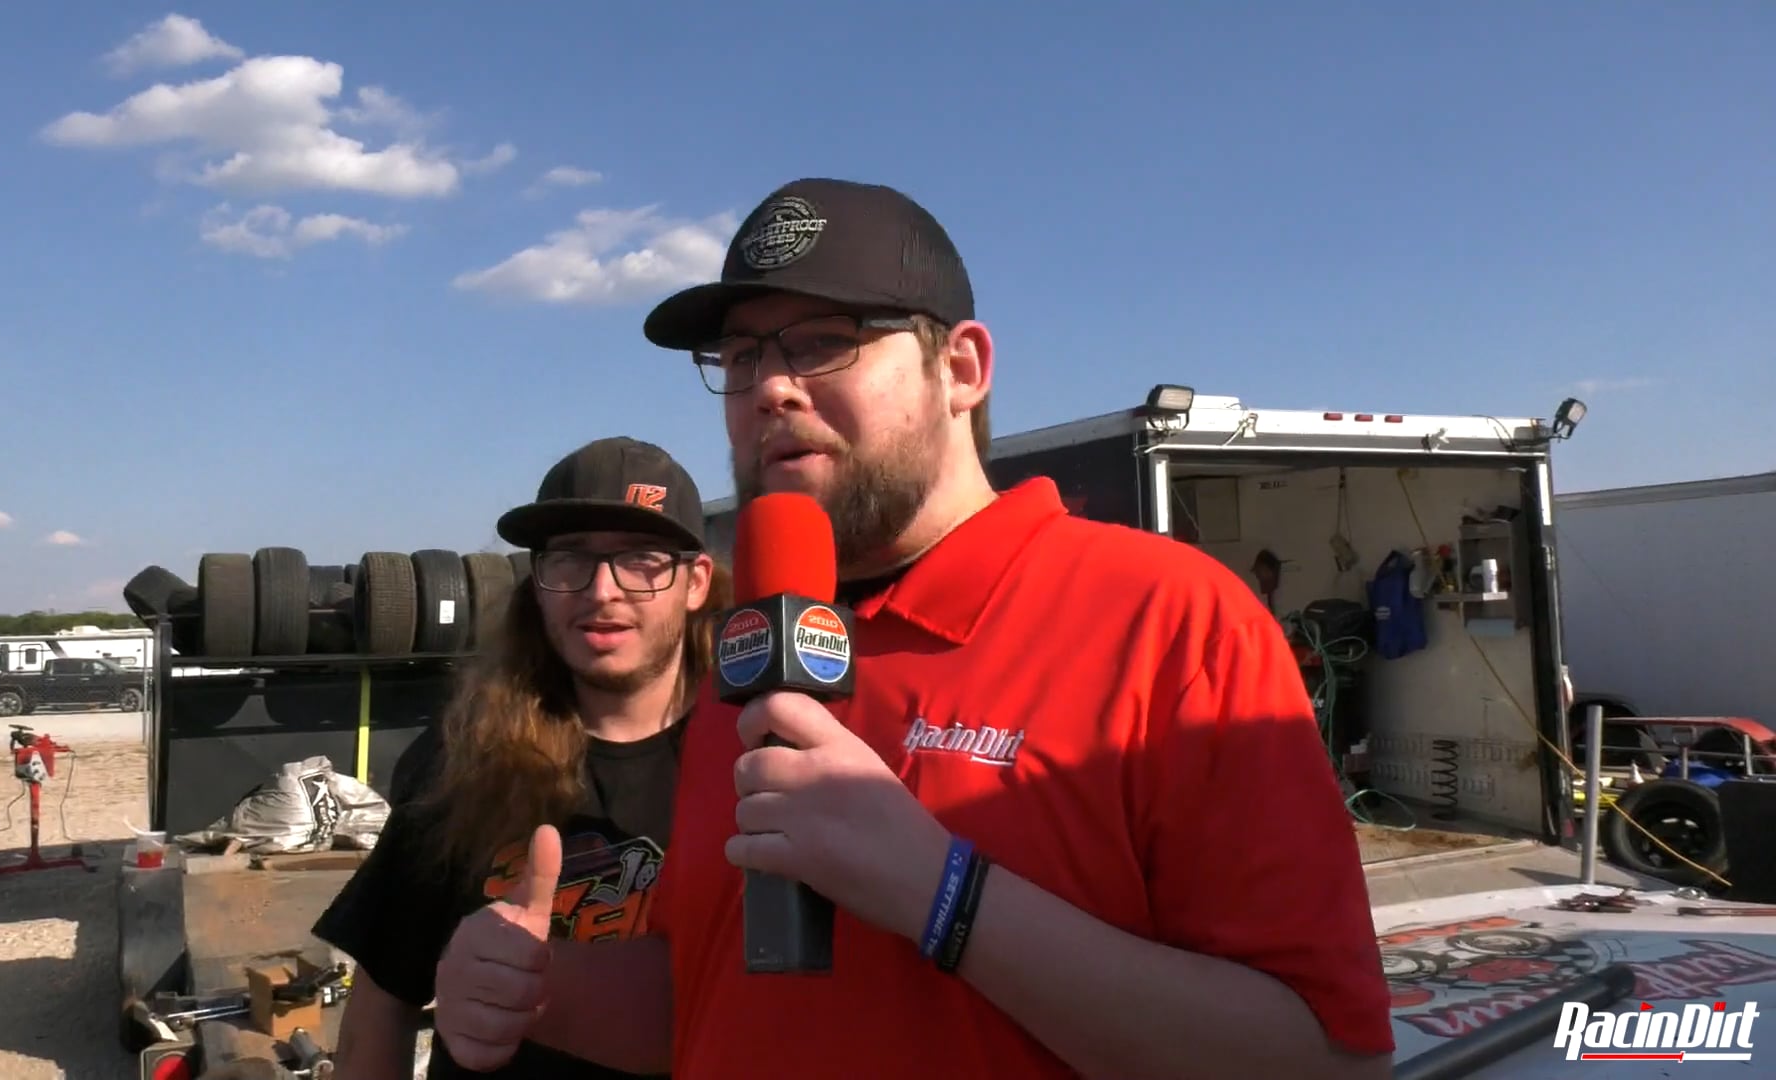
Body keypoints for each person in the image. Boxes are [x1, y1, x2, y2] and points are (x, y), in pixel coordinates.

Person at [433, 179, 1399, 1079]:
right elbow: (720, 998)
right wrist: (539, 989)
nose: (771, 386)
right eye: (740, 357)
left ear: (962, 368)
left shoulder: (1170, 621)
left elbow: (1324, 1054)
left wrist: (946, 897)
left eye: (822, 340)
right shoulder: (746, 647)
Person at [314, 435, 725, 1079]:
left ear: (695, 582)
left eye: (641, 560)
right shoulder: (466, 758)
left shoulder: (752, 760)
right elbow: (383, 997)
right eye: (569, 560)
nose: (602, 591)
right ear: (537, 583)